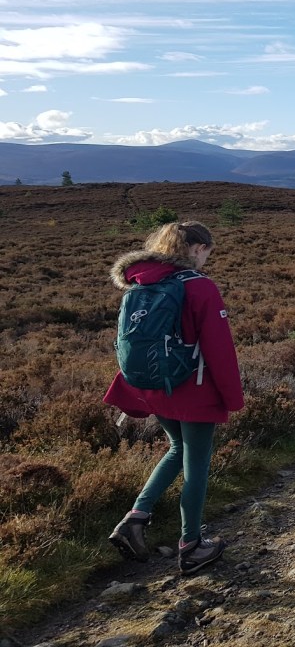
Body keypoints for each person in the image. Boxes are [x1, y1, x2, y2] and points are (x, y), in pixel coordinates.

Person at [104, 221, 243, 575]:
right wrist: (232, 397)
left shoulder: (141, 284)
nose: (207, 258)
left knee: (176, 449)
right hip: (193, 390)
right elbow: (219, 349)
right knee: (196, 464)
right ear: (197, 249)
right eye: (208, 251)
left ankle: (136, 518)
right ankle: (192, 545)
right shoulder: (200, 287)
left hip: (153, 387)